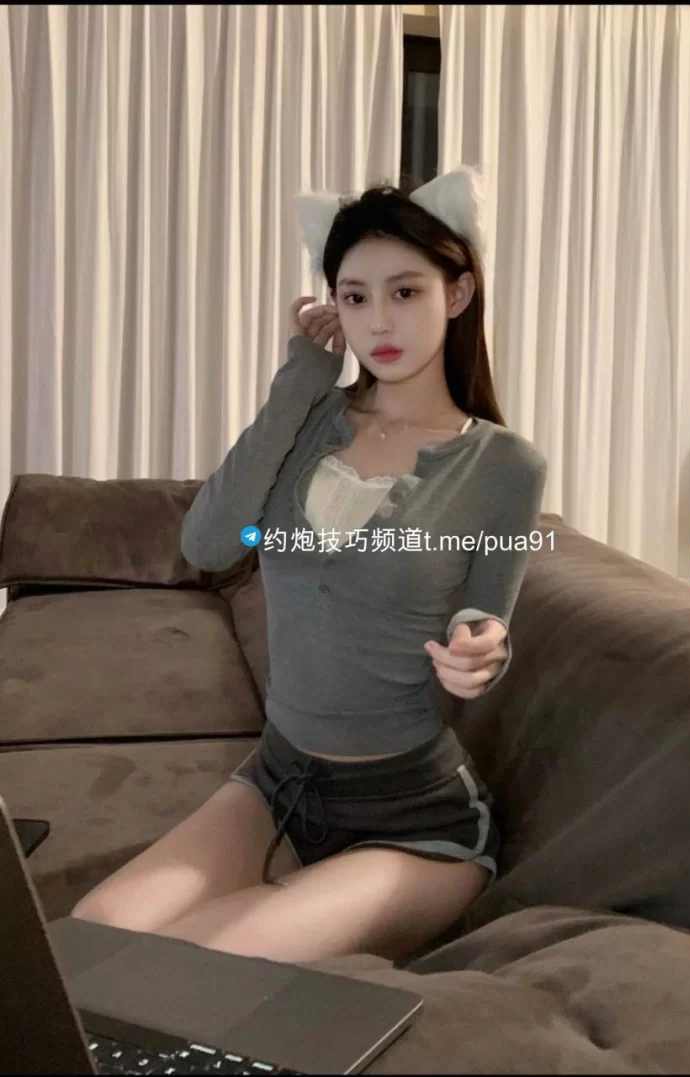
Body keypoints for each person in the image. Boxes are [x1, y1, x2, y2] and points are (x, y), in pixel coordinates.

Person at [71, 167, 548, 965]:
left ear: (459, 293)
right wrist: (300, 377)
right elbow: (211, 543)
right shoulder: (311, 416)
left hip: (415, 819)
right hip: (281, 782)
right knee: (89, 939)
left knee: (183, 972)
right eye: (355, 296)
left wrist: (482, 647)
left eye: (406, 291)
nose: (378, 320)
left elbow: (485, 614)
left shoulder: (506, 466)